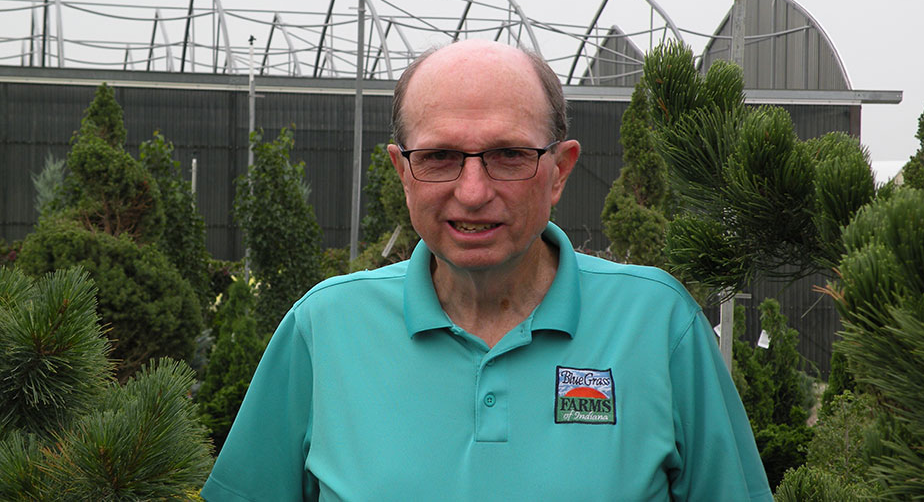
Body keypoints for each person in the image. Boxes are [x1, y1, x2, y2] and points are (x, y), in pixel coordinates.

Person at [201, 40, 772, 501]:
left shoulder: (656, 325)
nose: (472, 193)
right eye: (440, 157)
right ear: (403, 171)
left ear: (559, 170)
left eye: (508, 155)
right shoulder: (323, 329)